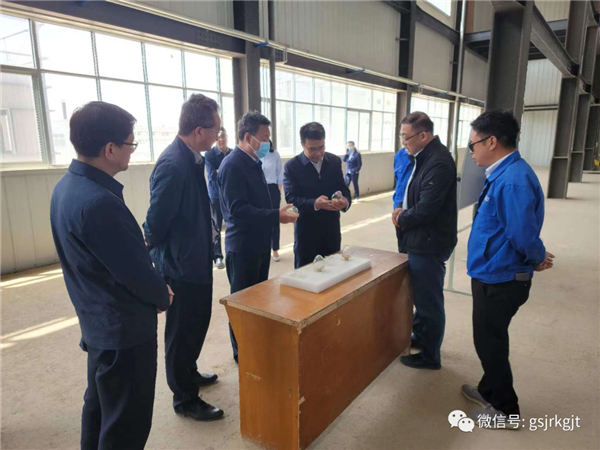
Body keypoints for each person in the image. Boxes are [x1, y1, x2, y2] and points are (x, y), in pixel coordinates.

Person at [50, 101, 173, 449]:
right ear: (109, 149)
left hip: (98, 326)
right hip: (124, 335)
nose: (132, 150)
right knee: (125, 427)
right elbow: (134, 272)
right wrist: (162, 294)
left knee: (100, 414)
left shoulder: (66, 188)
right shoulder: (99, 203)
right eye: (130, 143)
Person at [461, 110, 554, 425]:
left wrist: (536, 257)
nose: (471, 151)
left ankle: (505, 410)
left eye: (473, 144)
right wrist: (534, 254)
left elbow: (522, 233)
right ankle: (489, 389)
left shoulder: (513, 180)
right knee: (488, 337)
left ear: (491, 142)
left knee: (491, 343)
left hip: (500, 278)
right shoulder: (504, 173)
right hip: (491, 271)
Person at [143, 94, 223, 421]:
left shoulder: (192, 158)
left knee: (197, 324)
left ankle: (189, 372)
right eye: (216, 130)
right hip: (180, 267)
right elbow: (156, 222)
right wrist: (156, 264)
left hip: (196, 260)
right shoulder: (173, 164)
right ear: (199, 130)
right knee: (181, 332)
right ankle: (184, 398)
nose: (218, 136)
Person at [218, 111, 298, 362]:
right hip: (242, 247)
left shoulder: (253, 162)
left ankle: (254, 344)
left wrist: (274, 216)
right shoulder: (232, 165)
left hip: (259, 244)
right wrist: (275, 215)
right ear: (247, 137)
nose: (267, 143)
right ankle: (242, 353)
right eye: (264, 138)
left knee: (258, 299)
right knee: (242, 302)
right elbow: (237, 211)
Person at [392, 111, 457, 370]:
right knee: (421, 296)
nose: (403, 142)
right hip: (419, 239)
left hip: (428, 243)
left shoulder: (438, 162)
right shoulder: (423, 156)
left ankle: (430, 356)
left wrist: (402, 217)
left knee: (429, 301)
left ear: (424, 135)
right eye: (401, 136)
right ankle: (421, 337)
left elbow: (427, 209)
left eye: (406, 137)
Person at [284, 122, 351, 268]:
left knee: (333, 273)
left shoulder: (334, 162)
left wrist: (345, 201)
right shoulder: (292, 167)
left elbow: (343, 189)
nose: (318, 153)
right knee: (305, 275)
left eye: (321, 147)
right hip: (306, 234)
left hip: (331, 231)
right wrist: (315, 203)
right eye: (312, 149)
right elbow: (291, 199)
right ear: (303, 145)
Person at [205, 127, 232, 270]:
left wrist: (220, 170)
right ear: (216, 139)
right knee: (216, 226)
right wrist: (227, 170)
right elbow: (212, 175)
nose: (221, 139)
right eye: (219, 137)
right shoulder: (209, 154)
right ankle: (218, 256)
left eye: (224, 136)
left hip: (230, 195)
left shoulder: (232, 153)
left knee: (231, 224)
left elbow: (235, 174)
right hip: (215, 195)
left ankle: (230, 252)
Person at [260, 140, 284, 262]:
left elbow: (280, 172)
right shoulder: (254, 155)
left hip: (272, 188)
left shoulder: (275, 154)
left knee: (274, 218)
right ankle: (262, 248)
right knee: (260, 218)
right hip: (259, 189)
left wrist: (278, 189)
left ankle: (275, 249)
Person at [392, 146, 414, 253]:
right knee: (402, 251)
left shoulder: (429, 157)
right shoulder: (399, 155)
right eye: (402, 138)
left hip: (415, 210)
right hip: (398, 209)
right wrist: (397, 204)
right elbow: (398, 181)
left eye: (407, 138)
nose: (404, 142)